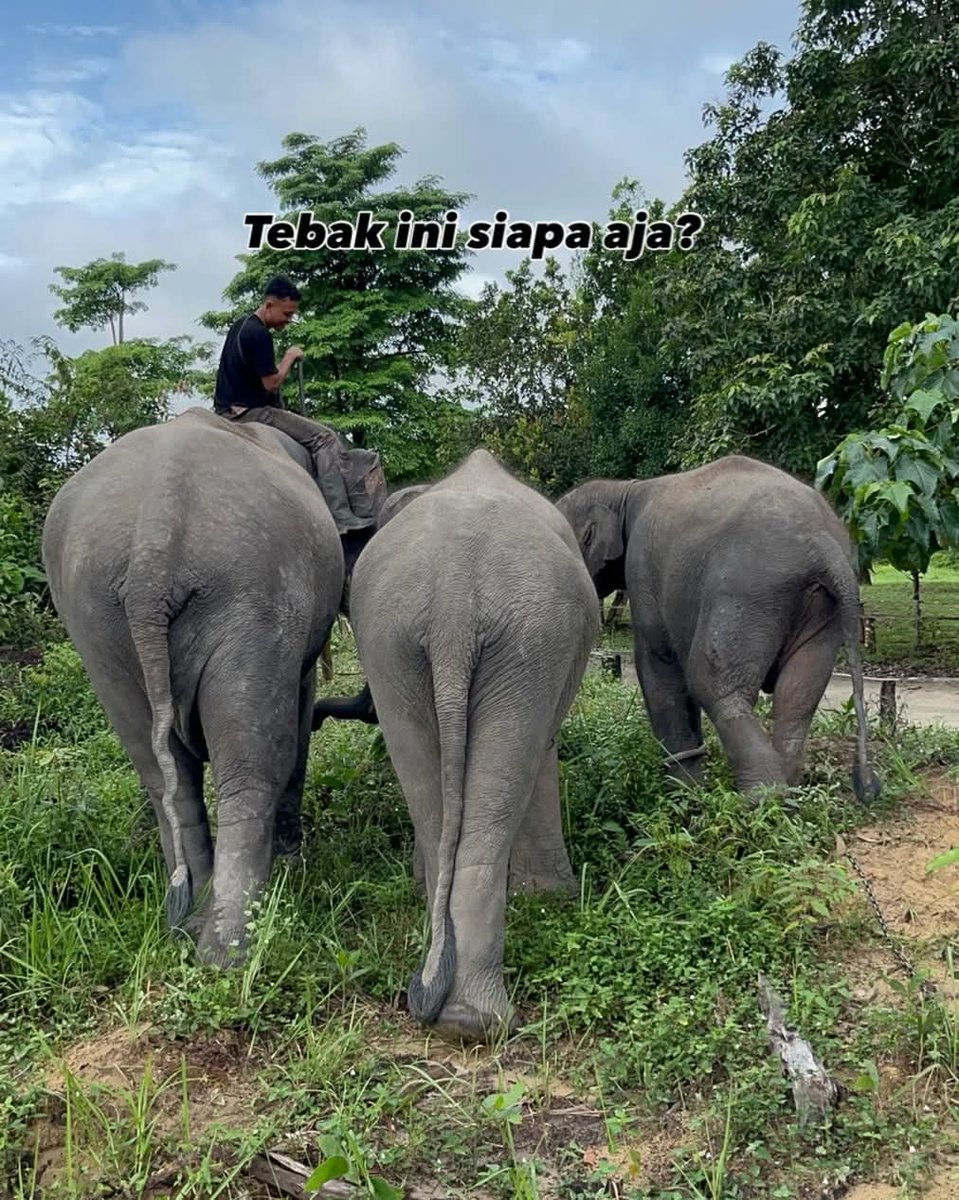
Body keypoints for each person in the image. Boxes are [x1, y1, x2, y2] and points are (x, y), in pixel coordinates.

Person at [212, 275, 376, 532]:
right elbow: (271, 384)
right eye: (286, 314)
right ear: (269, 305)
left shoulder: (241, 325)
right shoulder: (258, 334)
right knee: (325, 437)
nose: (288, 321)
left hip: (226, 408)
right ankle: (342, 516)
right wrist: (290, 356)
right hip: (249, 413)